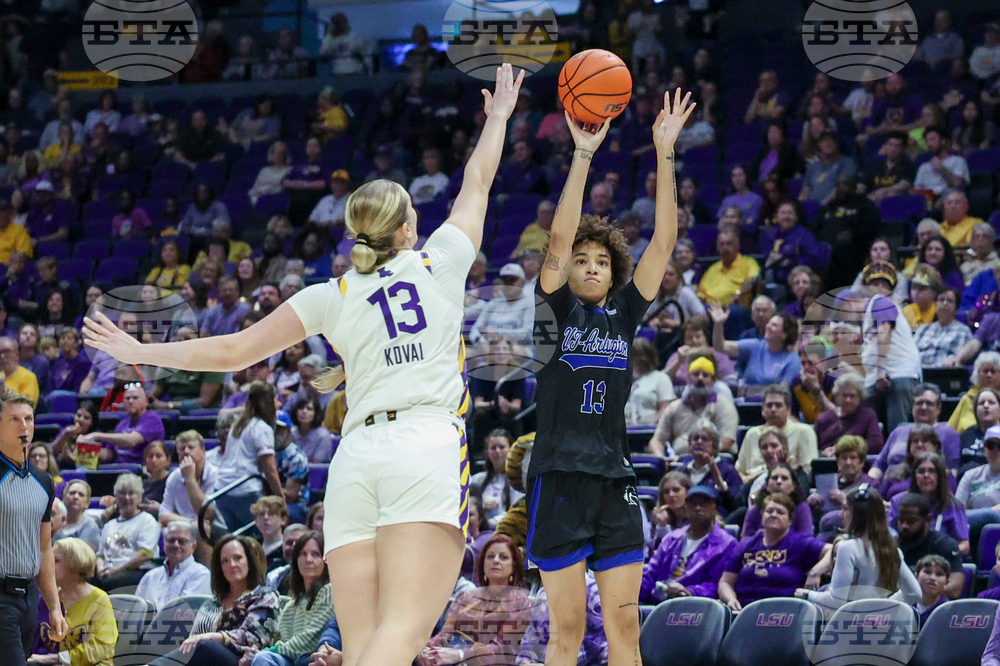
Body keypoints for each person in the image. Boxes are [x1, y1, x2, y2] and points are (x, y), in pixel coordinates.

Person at [84, 64, 525, 666]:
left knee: (367, 643)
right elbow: (477, 182)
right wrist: (497, 117)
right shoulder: (439, 262)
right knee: (401, 635)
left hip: (354, 461)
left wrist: (139, 353)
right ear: (408, 227)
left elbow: (231, 351)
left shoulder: (330, 294)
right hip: (422, 446)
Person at [524, 88, 693, 666]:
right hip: (559, 477)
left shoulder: (623, 314)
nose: (591, 266)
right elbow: (560, 237)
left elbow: (664, 242)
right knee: (566, 632)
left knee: (627, 635)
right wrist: (583, 155)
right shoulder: (552, 310)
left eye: (602, 261)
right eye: (582, 259)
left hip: (614, 479)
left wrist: (665, 153)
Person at [0, 390, 67, 664]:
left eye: (28, 418)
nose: (24, 426)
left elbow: (44, 548)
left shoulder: (44, 481)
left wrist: (53, 607)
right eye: (14, 419)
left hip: (28, 598)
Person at [148, 535, 281, 666]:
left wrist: (211, 637)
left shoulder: (266, 596)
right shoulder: (211, 603)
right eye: (225, 561)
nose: (232, 565)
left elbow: (254, 638)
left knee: (205, 645)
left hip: (243, 661)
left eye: (238, 558)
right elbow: (191, 641)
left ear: (249, 561)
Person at [798, 484, 920, 613]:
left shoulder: (847, 548)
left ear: (859, 515)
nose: (840, 515)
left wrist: (807, 595)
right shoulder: (893, 550)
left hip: (850, 628)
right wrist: (883, 607)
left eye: (845, 509)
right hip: (880, 627)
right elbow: (914, 593)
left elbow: (836, 601)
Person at [416, 534, 531, 666]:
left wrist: (461, 655)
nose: (496, 561)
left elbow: (504, 648)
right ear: (483, 563)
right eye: (490, 556)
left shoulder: (520, 602)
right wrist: (427, 650)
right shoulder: (465, 597)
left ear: (513, 566)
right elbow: (444, 634)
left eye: (503, 557)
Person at [718, 492, 832, 611]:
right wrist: (730, 599)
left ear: (790, 520)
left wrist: (816, 572)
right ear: (762, 516)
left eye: (780, 512)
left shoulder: (800, 542)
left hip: (785, 612)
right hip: (745, 611)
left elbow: (834, 550)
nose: (774, 515)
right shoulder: (746, 545)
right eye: (769, 511)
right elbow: (725, 582)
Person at [249, 531, 336, 666]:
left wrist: (272, 651)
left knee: (263, 658)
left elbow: (311, 638)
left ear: (325, 561)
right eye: (303, 554)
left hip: (314, 659)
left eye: (315, 554)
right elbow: (280, 639)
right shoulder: (292, 603)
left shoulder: (329, 590)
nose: (308, 560)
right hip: (291, 659)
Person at [640, 485, 738, 603]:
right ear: (686, 509)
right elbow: (651, 574)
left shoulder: (727, 544)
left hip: (695, 605)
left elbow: (717, 584)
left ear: (714, 508)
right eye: (692, 504)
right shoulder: (671, 539)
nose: (697, 508)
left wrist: (689, 591)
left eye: (703, 504)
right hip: (659, 601)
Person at [31, 538, 117, 666]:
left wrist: (57, 658)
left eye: (56, 560)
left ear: (76, 564)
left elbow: (102, 648)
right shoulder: (48, 599)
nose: (47, 565)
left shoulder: (100, 600)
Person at [212, 382, 283, 531]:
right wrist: (280, 497)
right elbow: (269, 468)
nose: (279, 404)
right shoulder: (262, 428)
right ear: (268, 403)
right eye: (276, 399)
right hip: (245, 489)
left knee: (238, 537)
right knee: (261, 533)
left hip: (222, 489)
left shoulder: (237, 424)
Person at [648, 356, 739, 457]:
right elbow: (657, 440)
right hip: (679, 463)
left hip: (714, 460)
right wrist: (662, 458)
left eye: (705, 375)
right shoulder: (674, 407)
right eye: (695, 374)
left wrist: (699, 453)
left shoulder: (724, 405)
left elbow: (727, 441)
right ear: (688, 379)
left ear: (713, 381)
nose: (700, 378)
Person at [870, 383, 961, 482]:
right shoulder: (899, 431)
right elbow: (879, 465)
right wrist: (869, 485)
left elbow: (953, 471)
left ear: (938, 408)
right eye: (919, 403)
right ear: (912, 407)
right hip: (890, 486)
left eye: (929, 403)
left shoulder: (949, 433)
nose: (924, 407)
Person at [887, 452, 969, 555]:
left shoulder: (953, 505)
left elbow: (964, 545)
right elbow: (889, 538)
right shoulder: (898, 501)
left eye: (932, 471)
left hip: (940, 562)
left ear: (940, 476)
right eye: (921, 471)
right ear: (914, 475)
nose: (926, 475)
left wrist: (946, 554)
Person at [735, 384, 819, 482]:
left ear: (788, 410)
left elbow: (807, 472)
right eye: (769, 405)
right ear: (762, 411)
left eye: (778, 405)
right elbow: (739, 471)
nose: (773, 410)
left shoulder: (804, 432)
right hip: (751, 487)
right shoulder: (752, 434)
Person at [710, 305, 801, 391]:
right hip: (745, 403)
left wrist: (750, 391)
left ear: (784, 334)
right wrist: (718, 324)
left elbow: (783, 390)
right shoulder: (755, 346)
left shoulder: (792, 359)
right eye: (769, 323)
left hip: (771, 404)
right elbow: (721, 346)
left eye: (774, 325)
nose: (767, 326)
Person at [94, 473, 161, 590]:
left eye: (131, 493)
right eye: (122, 493)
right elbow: (100, 555)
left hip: (137, 571)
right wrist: (100, 568)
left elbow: (145, 554)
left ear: (139, 497)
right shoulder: (109, 525)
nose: (127, 498)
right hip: (110, 571)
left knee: (109, 583)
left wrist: (118, 570)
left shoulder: (147, 520)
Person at [895, 493, 965, 599]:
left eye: (911, 521)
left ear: (927, 519)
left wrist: (925, 590)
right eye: (901, 521)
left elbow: (956, 588)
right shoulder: (893, 546)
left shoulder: (944, 545)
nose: (904, 526)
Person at [134, 521, 212, 609]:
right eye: (171, 540)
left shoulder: (200, 575)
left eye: (182, 541)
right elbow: (137, 613)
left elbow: (185, 613)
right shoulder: (150, 577)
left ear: (193, 547)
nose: (176, 545)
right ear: (164, 543)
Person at [676, 423, 742, 516]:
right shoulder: (680, 471)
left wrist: (719, 481)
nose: (699, 442)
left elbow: (736, 506)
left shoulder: (728, 471)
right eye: (695, 438)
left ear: (714, 446)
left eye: (705, 439)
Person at [814, 373, 883, 456]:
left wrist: (843, 449)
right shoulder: (823, 418)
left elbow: (876, 444)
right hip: (827, 463)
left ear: (860, 397)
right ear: (837, 396)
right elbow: (813, 447)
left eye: (852, 396)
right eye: (844, 395)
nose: (848, 400)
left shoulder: (868, 416)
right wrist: (823, 453)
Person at [956, 424, 1000, 552]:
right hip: (972, 529)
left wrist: (982, 514)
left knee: (990, 518)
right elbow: (959, 510)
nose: (995, 450)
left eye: (999, 446)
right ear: (984, 449)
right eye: (991, 446)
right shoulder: (971, 475)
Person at [741, 463, 814, 538]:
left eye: (784, 478)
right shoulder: (755, 509)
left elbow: (807, 540)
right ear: (767, 485)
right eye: (774, 478)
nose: (779, 481)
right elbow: (745, 542)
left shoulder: (801, 508)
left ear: (793, 486)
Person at [470, 430, 524, 528]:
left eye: (502, 447)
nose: (497, 451)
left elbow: (519, 513)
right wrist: (480, 507)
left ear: (511, 450)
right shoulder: (477, 480)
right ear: (487, 452)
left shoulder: (518, 481)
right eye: (493, 448)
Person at [913, 288, 972, 367]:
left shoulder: (963, 331)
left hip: (942, 375)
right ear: (935, 304)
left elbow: (954, 361)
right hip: (916, 372)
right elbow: (910, 353)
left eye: (950, 301)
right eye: (941, 300)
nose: (945, 303)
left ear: (956, 309)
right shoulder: (923, 329)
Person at [624, 338, 675, 427]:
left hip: (649, 430)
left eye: (636, 356)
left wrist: (651, 424)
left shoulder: (660, 378)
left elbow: (665, 408)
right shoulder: (623, 380)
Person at [948, 352, 1000, 434]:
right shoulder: (967, 399)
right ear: (978, 373)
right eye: (985, 371)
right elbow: (950, 430)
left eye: (993, 371)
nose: (989, 375)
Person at [959, 388, 1000, 474]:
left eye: (991, 402)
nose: (986, 406)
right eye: (981, 403)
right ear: (975, 410)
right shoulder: (965, 435)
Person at [55, 480, 100, 553]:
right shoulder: (54, 519)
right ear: (64, 497)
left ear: (87, 504)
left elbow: (80, 555)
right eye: (72, 493)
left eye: (81, 495)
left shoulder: (90, 526)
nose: (76, 497)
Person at [650, 471, 690, 549]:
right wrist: (662, 526)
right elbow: (657, 553)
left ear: (687, 491)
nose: (671, 495)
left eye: (676, 490)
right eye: (666, 492)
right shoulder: (658, 517)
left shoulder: (697, 516)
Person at [912, 554, 950, 625]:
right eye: (927, 572)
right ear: (916, 576)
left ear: (946, 582)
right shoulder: (906, 605)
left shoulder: (949, 611)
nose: (932, 578)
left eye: (939, 574)